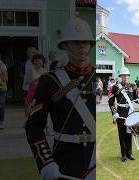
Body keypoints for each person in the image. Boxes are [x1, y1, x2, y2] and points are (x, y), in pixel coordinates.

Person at [25, 17, 95, 179]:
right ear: (64, 45)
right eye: (75, 42)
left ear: (91, 45)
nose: (81, 46)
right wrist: (46, 162)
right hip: (64, 161)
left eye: (85, 41)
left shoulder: (98, 77)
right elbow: (34, 126)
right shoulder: (50, 81)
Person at [108, 67, 139, 162]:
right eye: (123, 76)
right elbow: (111, 102)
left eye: (127, 75)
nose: (125, 77)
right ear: (120, 77)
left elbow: (136, 98)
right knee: (122, 134)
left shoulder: (133, 86)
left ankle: (130, 153)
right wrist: (114, 113)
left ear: (129, 76)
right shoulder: (115, 87)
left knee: (129, 133)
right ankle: (123, 154)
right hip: (120, 113)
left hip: (130, 113)